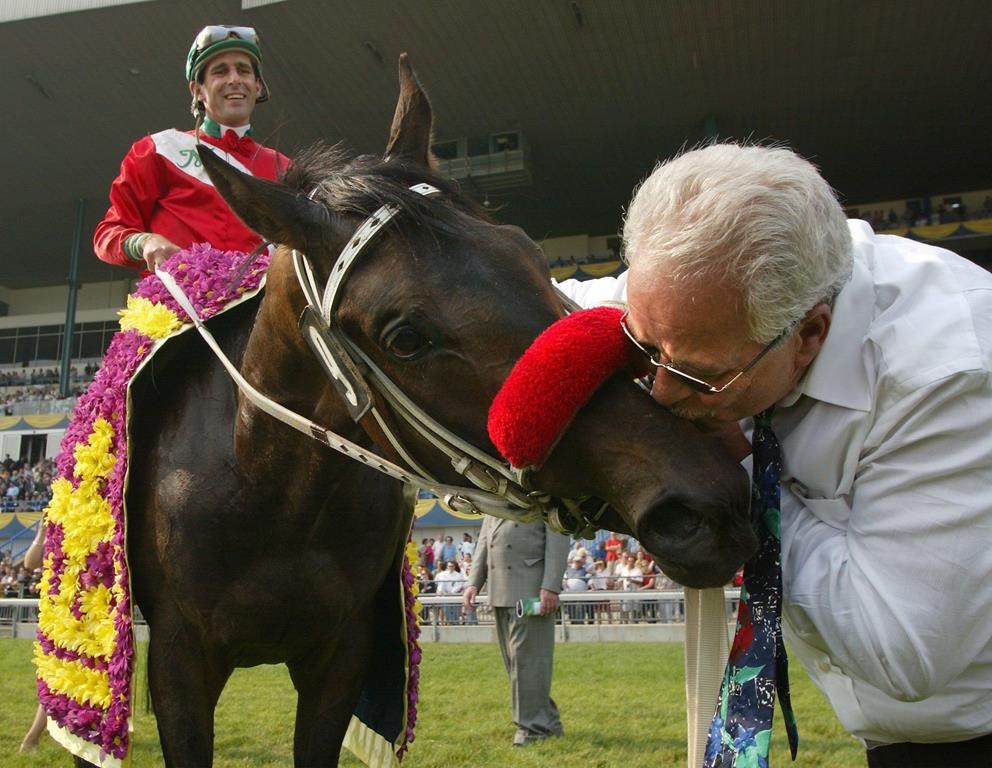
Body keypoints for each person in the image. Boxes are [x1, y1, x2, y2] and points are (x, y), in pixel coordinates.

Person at [563, 142, 992, 765]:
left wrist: (731, 471)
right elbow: (522, 305)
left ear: (810, 333)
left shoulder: (949, 371)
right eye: (644, 346)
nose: (660, 389)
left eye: (700, 376)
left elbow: (903, 652)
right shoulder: (704, 286)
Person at [93, 24, 290, 274]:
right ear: (197, 91)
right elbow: (107, 234)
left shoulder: (285, 169)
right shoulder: (158, 150)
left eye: (243, 71)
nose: (234, 79)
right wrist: (145, 242)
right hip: (175, 307)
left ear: (258, 86)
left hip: (262, 309)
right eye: (220, 72)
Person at [463, 516, 570, 747]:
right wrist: (473, 583)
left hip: (531, 591)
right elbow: (483, 543)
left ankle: (531, 729)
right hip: (500, 592)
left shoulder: (544, 497)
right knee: (516, 665)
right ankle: (548, 722)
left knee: (527, 664)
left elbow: (559, 539)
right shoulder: (493, 503)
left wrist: (551, 586)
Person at [19, 523, 47, 753]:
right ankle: (33, 736)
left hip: (92, 607)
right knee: (54, 678)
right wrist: (41, 532)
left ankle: (33, 736)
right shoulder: (57, 517)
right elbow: (30, 562)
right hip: (59, 612)